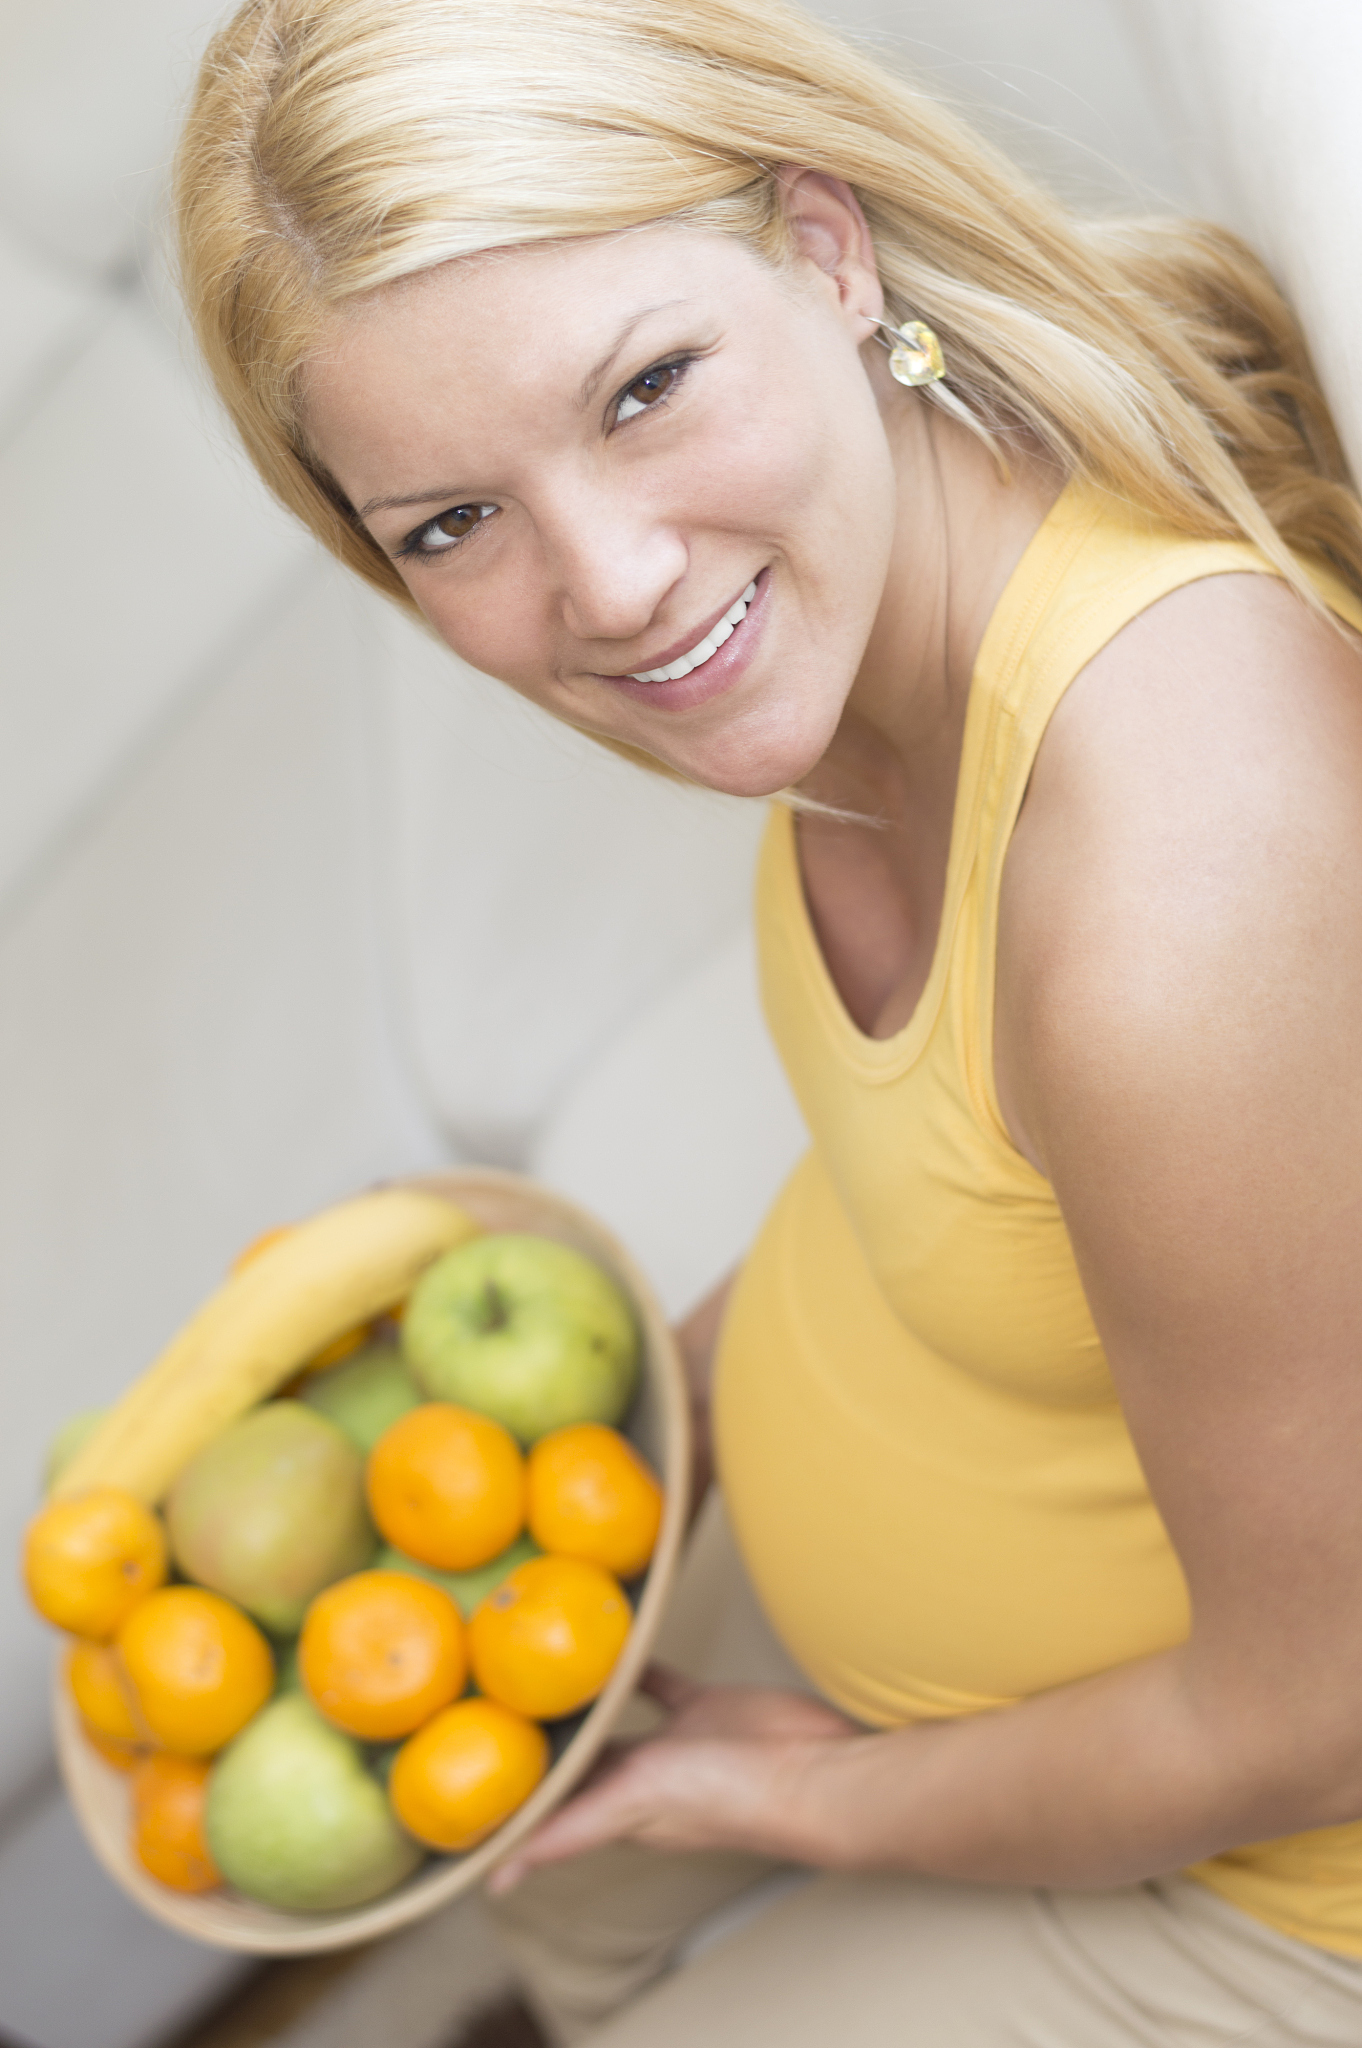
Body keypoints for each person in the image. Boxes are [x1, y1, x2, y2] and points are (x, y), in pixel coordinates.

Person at [175, 0, 1362, 2038]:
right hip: (905, 1547)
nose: (614, 584)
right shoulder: (877, 577)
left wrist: (815, 1800)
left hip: (1265, 1869)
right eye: (451, 524)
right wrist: (681, 1402)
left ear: (824, 244)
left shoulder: (1188, 867)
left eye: (643, 388)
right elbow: (968, 1187)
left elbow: (1316, 1715)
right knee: (558, 1911)